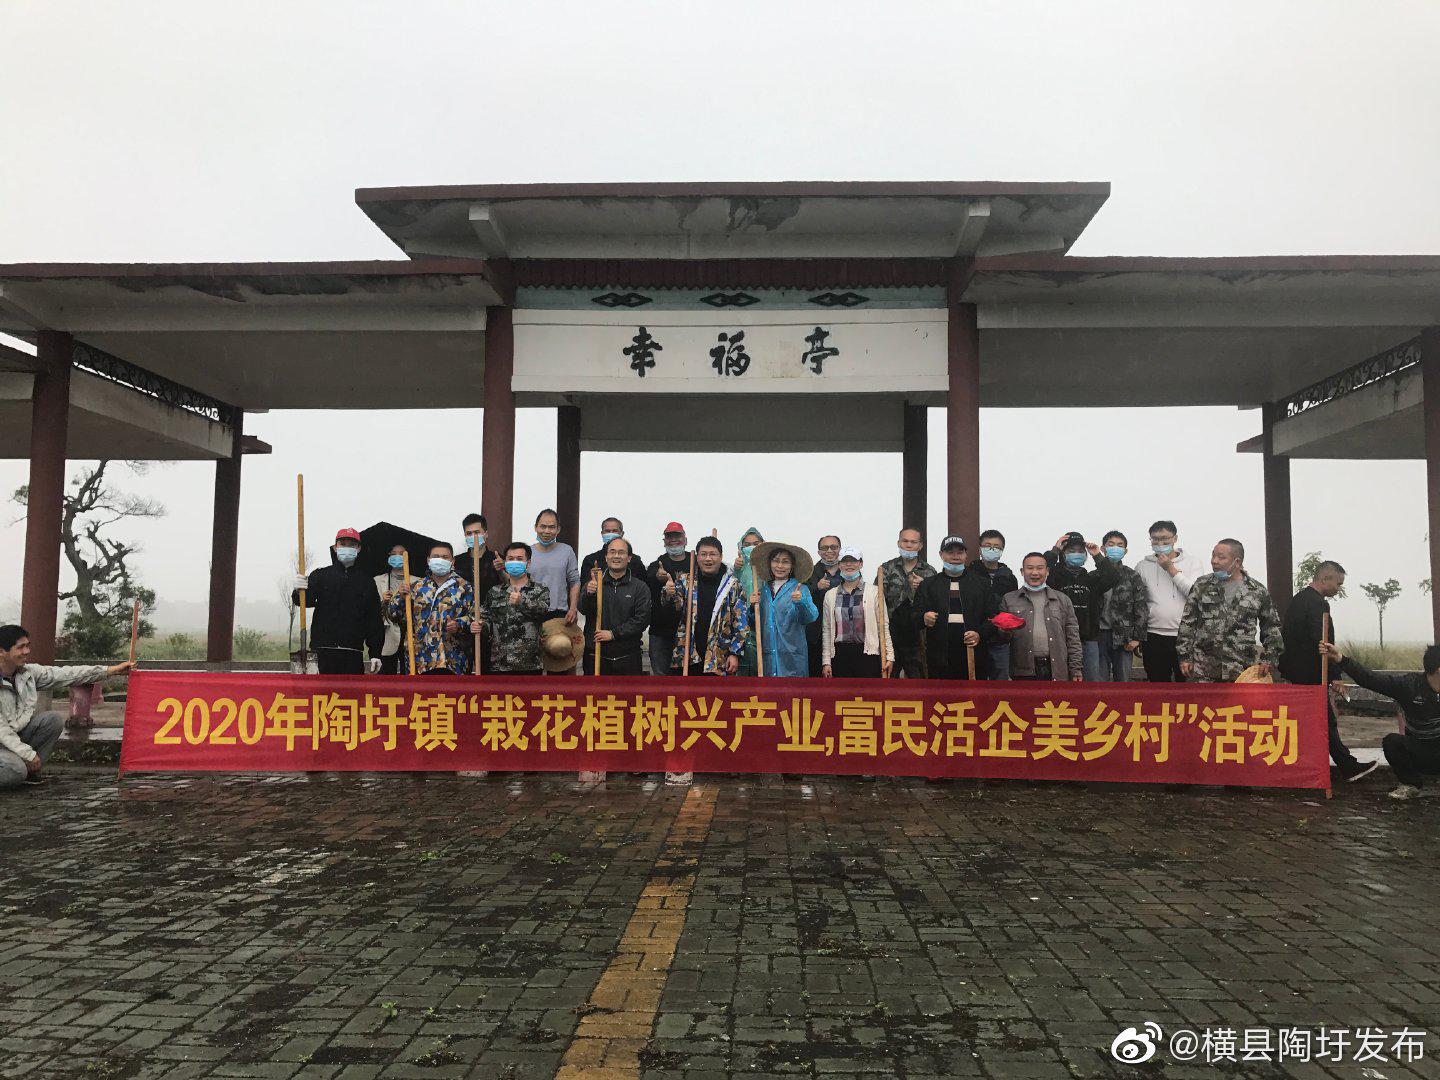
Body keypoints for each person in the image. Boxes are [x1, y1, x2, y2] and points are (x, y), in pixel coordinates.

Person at [0, 625, 132, 790]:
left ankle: (30, 772)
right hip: (3, 737)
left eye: (28, 646)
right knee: (16, 770)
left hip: (13, 736)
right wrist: (29, 754)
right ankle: (21, 769)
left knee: (51, 720)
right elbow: (2, 731)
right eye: (20, 647)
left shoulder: (27, 673)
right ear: (2, 651)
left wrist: (110, 671)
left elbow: (65, 674)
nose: (27, 651)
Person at [1281, 561, 1377, 782]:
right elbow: (1323, 644)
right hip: (1312, 674)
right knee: (1324, 721)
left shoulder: (1298, 600)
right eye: (1338, 583)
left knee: (1312, 722)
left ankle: (1336, 765)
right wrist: (1335, 675)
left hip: (1296, 673)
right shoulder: (1318, 604)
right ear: (1325, 579)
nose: (1338, 589)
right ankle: (1347, 767)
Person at [1320, 641, 1440, 800]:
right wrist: (1340, 659)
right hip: (1421, 753)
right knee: (1392, 742)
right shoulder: (1409, 686)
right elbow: (1371, 679)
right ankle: (1410, 785)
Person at [1177, 539, 1284, 682]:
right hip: (1203, 670)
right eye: (1213, 555)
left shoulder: (1257, 591)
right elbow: (1188, 623)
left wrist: (1269, 658)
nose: (1214, 561)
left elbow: (1271, 627)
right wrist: (1184, 656)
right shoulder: (1202, 585)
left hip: (1240, 671)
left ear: (1237, 562)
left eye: (1221, 557)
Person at [292, 527, 385, 675]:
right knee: (322, 690)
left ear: (358, 548)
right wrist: (298, 589)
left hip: (352, 652)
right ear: (335, 547)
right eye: (343, 544)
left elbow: (373, 619)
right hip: (322, 651)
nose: (347, 548)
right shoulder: (321, 575)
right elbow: (304, 601)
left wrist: (375, 653)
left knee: (351, 690)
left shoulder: (366, 581)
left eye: (352, 545)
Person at [912, 536, 999, 679]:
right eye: (950, 552)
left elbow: (994, 617)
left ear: (966, 555)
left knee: (974, 693)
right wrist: (923, 618)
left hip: (975, 655)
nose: (955, 556)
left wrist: (979, 634)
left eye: (960, 552)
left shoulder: (981, 584)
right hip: (939, 658)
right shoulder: (928, 585)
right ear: (941, 555)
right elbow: (914, 617)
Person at [660, 536, 748, 675]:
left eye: (713, 554)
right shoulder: (685, 581)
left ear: (721, 557)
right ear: (697, 557)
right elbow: (675, 607)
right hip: (689, 656)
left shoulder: (732, 585)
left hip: (719, 658)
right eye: (703, 554)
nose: (708, 559)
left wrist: (734, 653)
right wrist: (669, 593)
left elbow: (741, 622)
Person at [1135, 519, 1206, 682]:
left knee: (1186, 683)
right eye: (1155, 539)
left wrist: (1170, 569)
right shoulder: (1142, 566)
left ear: (1175, 538)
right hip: (1153, 635)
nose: (1160, 543)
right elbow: (1138, 603)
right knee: (1158, 684)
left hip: (1185, 635)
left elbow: (1195, 594)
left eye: (1165, 539)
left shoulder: (1193, 562)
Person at [387, 543, 473, 674]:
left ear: (452, 561)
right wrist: (400, 597)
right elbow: (393, 616)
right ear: (428, 560)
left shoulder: (465, 587)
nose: (440, 560)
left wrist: (459, 624)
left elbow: (476, 618)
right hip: (420, 660)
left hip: (453, 659)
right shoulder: (416, 587)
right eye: (436, 556)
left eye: (445, 557)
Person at [1043, 532, 1118, 682]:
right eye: (1071, 551)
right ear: (1063, 554)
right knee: (1060, 684)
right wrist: (1055, 550)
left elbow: (1112, 577)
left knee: (1090, 685)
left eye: (1080, 551)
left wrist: (1097, 555)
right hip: (1060, 639)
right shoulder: (1053, 576)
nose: (1076, 554)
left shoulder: (1091, 579)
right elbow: (1041, 567)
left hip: (1088, 639)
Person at [1001, 553, 1083, 681]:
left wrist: (1076, 668)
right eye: (1030, 568)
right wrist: (1003, 630)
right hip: (1022, 671)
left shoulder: (1062, 599)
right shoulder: (1009, 599)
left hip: (1056, 669)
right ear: (1022, 571)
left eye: (1039, 568)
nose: (1035, 572)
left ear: (1047, 571)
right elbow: (1002, 640)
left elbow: (1073, 637)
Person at [485, 543, 561, 675]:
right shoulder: (495, 591)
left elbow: (543, 612)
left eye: (519, 559)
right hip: (500, 662)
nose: (514, 562)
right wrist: (479, 625)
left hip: (530, 663)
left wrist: (522, 602)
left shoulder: (540, 589)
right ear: (505, 562)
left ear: (528, 563)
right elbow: (486, 617)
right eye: (510, 559)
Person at [580, 538, 654, 676]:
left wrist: (613, 634)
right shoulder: (594, 584)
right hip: (596, 654)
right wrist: (589, 594)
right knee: (595, 691)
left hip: (628, 656)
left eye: (621, 552)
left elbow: (642, 620)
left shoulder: (640, 587)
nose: (616, 556)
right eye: (612, 552)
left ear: (629, 558)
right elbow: (583, 609)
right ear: (606, 557)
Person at [820, 548, 893, 678]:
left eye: (853, 561)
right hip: (839, 655)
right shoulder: (830, 595)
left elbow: (883, 626)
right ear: (839, 565)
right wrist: (826, 662)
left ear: (861, 564)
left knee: (868, 691)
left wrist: (889, 656)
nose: (849, 564)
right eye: (844, 561)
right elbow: (827, 630)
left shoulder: (875, 592)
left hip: (868, 654)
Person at [752, 542, 819, 677]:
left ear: (792, 566)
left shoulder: (800, 589)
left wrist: (800, 602)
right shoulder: (762, 591)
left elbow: (810, 616)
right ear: (770, 564)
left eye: (785, 562)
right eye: (776, 561)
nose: (780, 566)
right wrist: (752, 606)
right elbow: (755, 624)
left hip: (792, 659)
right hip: (768, 659)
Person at [879, 528, 935, 679]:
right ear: (898, 543)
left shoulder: (929, 572)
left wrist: (923, 587)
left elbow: (935, 603)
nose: (909, 545)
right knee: (888, 680)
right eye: (905, 541)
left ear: (920, 545)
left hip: (918, 637)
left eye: (913, 542)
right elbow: (878, 600)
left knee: (919, 682)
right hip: (891, 635)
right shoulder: (886, 569)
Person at [1095, 531, 1149, 682]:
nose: (1115, 548)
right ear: (1103, 548)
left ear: (1125, 551)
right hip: (1099, 635)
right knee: (1099, 681)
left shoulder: (1132, 576)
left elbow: (1141, 607)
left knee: (1123, 681)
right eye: (1111, 545)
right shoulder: (1094, 575)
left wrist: (1137, 638)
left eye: (1120, 545)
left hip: (1124, 637)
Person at [459, 513, 502, 674]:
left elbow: (510, 586)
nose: (473, 537)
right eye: (469, 533)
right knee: (463, 672)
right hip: (463, 623)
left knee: (487, 671)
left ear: (486, 534)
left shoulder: (497, 560)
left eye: (477, 532)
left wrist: (502, 570)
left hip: (490, 624)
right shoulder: (458, 561)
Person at [972, 529, 1018, 680]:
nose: (991, 550)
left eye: (996, 547)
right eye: (987, 546)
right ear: (980, 548)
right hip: (975, 636)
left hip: (1000, 638)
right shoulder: (970, 573)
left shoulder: (1009, 577)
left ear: (1002, 550)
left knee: (1000, 682)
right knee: (975, 681)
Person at [646, 522, 690, 676]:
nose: (673, 540)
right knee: (661, 679)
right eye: (669, 536)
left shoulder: (695, 562)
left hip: (689, 631)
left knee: (689, 678)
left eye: (677, 536)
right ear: (664, 541)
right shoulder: (656, 565)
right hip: (661, 632)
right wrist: (658, 578)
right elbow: (650, 581)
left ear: (685, 539)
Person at [530, 508, 581, 640]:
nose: (547, 531)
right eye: (543, 526)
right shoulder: (527, 553)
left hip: (559, 612)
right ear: (535, 527)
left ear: (558, 529)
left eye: (551, 527)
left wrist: (573, 608)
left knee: (559, 649)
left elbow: (574, 581)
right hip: (531, 612)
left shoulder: (567, 551)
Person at [806, 535, 842, 677]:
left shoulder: (847, 570)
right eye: (825, 548)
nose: (829, 551)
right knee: (816, 677)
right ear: (819, 552)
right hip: (817, 634)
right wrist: (816, 587)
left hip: (842, 633)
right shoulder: (809, 572)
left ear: (839, 549)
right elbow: (800, 597)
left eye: (833, 547)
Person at [733, 527, 766, 675]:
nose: (751, 547)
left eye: (756, 544)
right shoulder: (738, 568)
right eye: (747, 545)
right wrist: (736, 569)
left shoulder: (768, 566)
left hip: (764, 618)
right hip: (743, 621)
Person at [580, 517, 649, 587]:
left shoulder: (635, 560)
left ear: (622, 533)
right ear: (602, 533)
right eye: (607, 531)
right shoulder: (590, 560)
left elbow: (644, 586)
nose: (611, 534)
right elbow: (584, 588)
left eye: (615, 531)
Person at [374, 543, 409, 675]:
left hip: (410, 635)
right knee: (387, 677)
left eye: (401, 554)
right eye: (393, 554)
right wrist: (383, 601)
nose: (397, 556)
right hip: (387, 635)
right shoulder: (378, 581)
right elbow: (371, 610)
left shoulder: (418, 581)